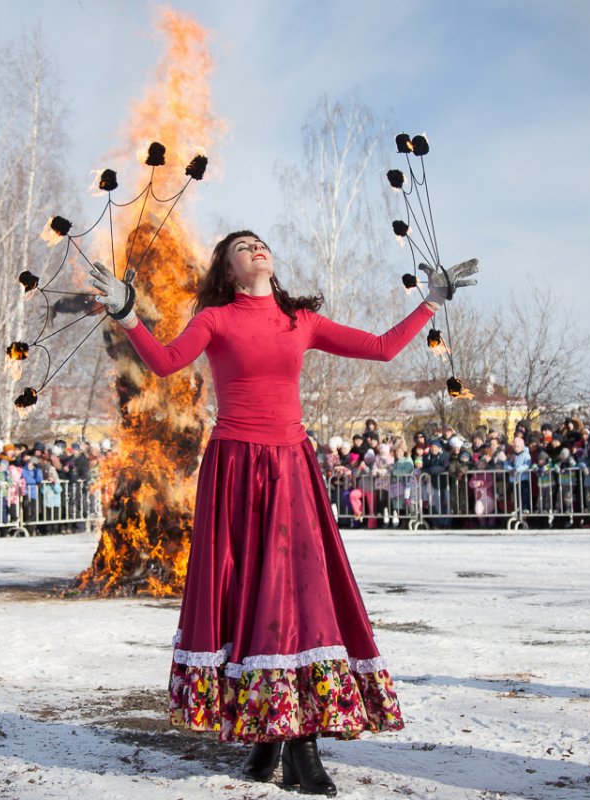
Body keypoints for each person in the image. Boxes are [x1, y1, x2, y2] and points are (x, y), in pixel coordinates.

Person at [88, 230, 477, 795]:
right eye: (241, 247)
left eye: (259, 243)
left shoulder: (301, 321)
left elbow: (382, 348)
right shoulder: (216, 319)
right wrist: (128, 315)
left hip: (291, 468)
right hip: (235, 470)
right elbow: (167, 362)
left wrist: (431, 301)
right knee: (250, 595)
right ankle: (271, 736)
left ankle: (298, 745)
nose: (256, 249)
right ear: (227, 269)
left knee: (298, 598)